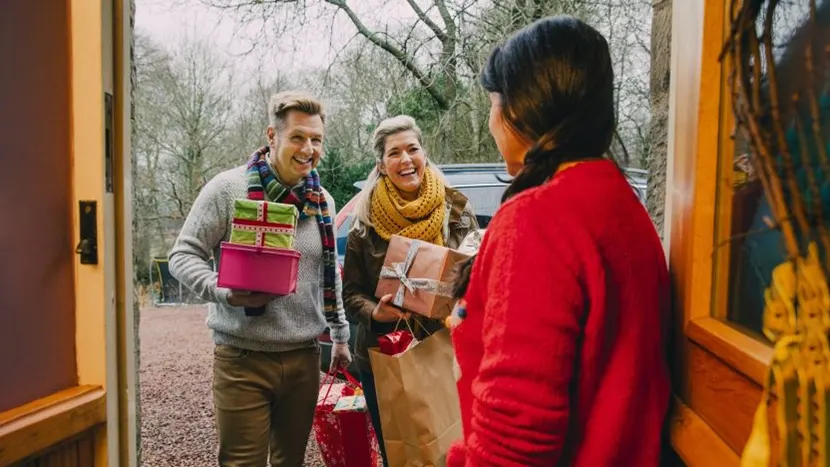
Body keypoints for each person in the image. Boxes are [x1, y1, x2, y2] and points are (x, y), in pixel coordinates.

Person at [446, 16, 670, 467]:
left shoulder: (537, 218)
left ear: (518, 110)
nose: (491, 122)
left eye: (493, 103)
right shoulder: (617, 200)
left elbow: (515, 434)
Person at [168, 90, 352, 467]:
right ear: (272, 136)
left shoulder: (323, 202)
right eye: (297, 137)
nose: (308, 148)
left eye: (316, 139)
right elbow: (183, 255)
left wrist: (339, 335)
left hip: (303, 358)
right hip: (242, 358)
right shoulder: (228, 190)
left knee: (291, 462)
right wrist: (223, 292)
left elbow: (327, 271)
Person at [341, 115, 479, 466]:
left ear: (424, 154)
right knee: (401, 456)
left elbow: (480, 280)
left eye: (412, 149)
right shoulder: (364, 223)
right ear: (382, 164)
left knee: (456, 451)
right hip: (386, 355)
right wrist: (376, 311)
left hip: (449, 353)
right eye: (394, 153)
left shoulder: (457, 212)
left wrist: (460, 301)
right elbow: (351, 292)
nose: (405, 159)